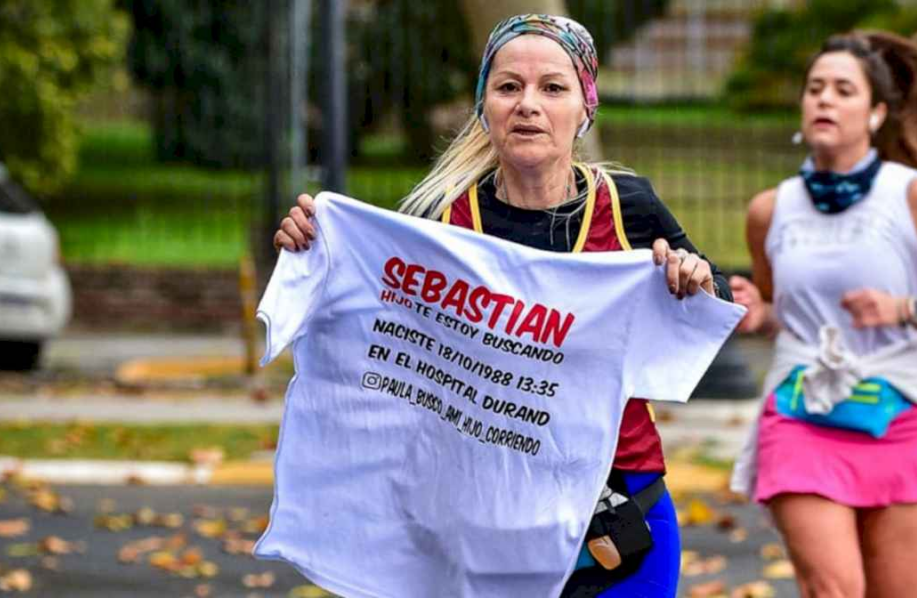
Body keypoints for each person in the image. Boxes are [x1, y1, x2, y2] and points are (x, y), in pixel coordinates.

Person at [273, 13, 733, 597]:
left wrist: (696, 278)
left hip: (618, 513)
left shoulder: (627, 206)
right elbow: (364, 339)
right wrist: (312, 250)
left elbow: (718, 304)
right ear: (484, 106)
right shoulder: (440, 223)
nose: (528, 105)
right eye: (509, 87)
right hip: (480, 521)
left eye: (553, 88)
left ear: (584, 107)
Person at [728, 31, 917, 598]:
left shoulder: (916, 197)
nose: (824, 100)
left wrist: (902, 308)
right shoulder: (770, 209)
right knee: (834, 587)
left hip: (899, 408)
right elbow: (780, 308)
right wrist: (756, 313)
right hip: (801, 408)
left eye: (843, 90)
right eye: (814, 88)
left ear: (876, 113)